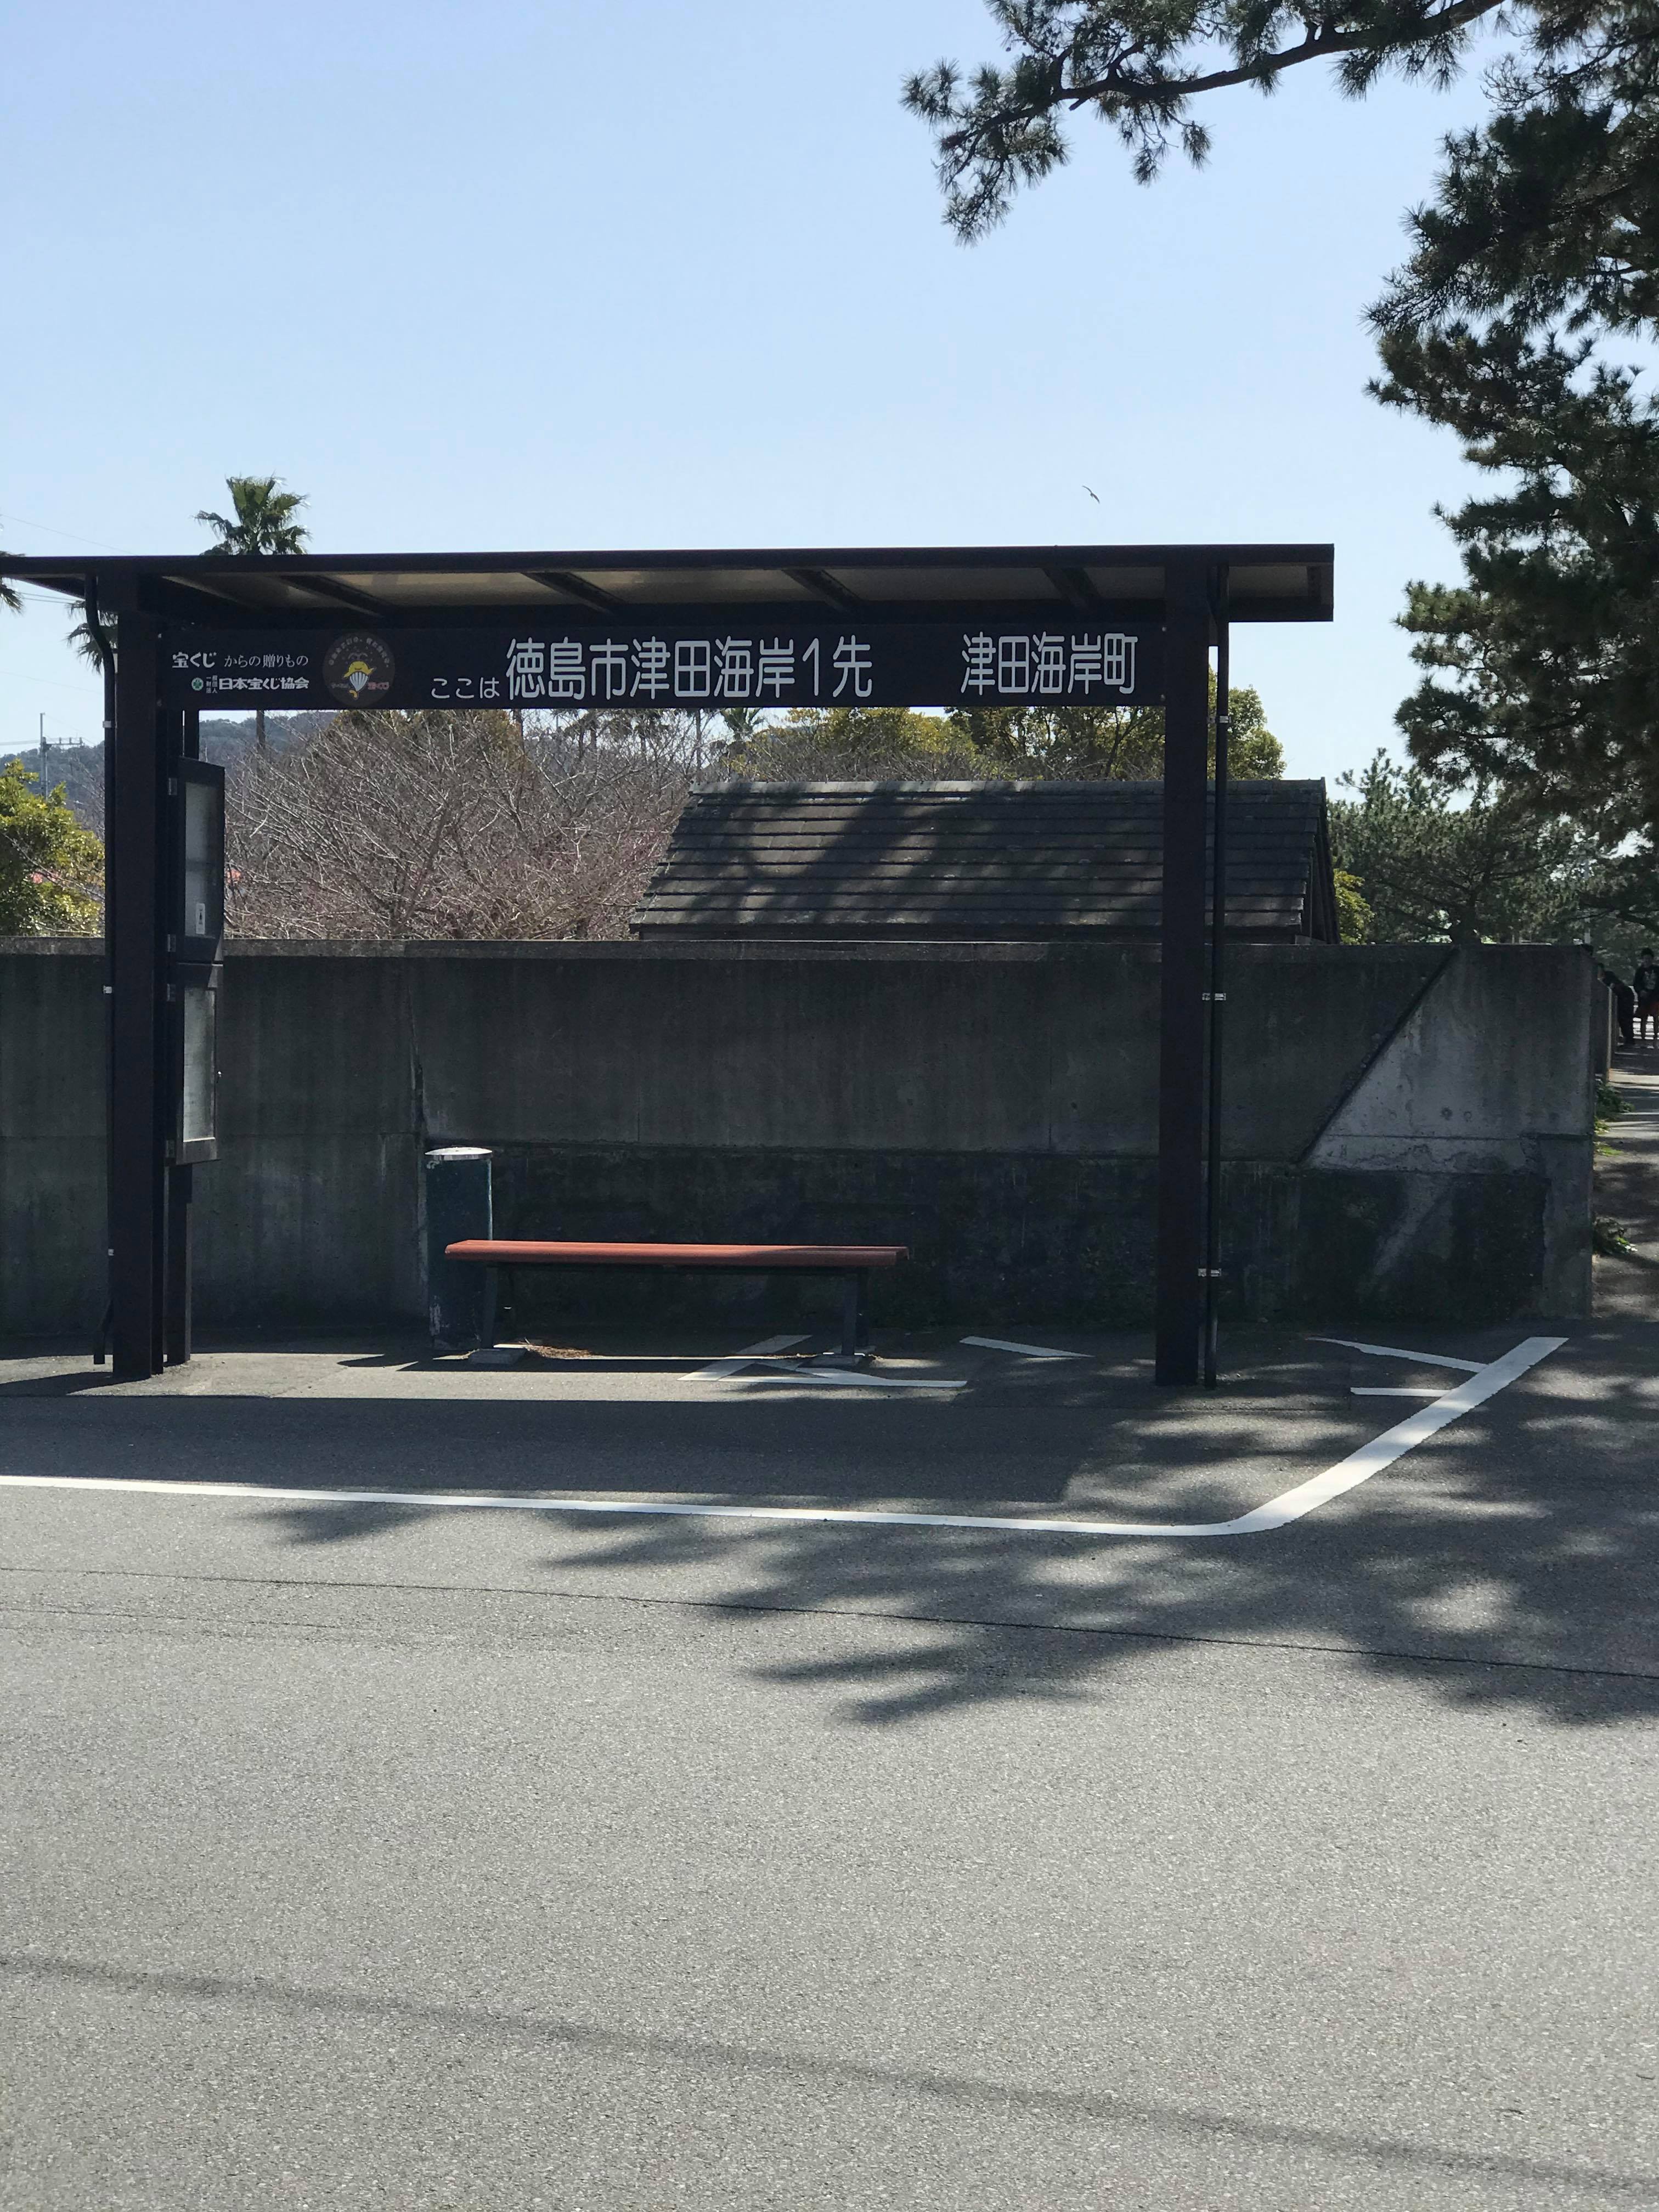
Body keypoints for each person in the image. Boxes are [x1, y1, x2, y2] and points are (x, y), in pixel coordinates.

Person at [1602, 965, 1637, 1049]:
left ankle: (1629, 1040)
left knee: (1625, 1020)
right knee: (1626, 1020)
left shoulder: (1609, 979)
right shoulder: (1611, 978)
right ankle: (1629, 1040)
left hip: (1624, 1000)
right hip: (1625, 999)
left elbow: (1612, 988)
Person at [1635, 948, 1659, 1049]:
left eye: (1649, 958)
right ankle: (1643, 1039)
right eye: (1645, 958)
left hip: (1655, 997)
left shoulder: (1657, 970)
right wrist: (1641, 991)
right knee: (1643, 1018)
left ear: (1652, 959)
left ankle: (1655, 1038)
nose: (1647, 960)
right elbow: (1636, 983)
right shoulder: (1640, 971)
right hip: (1644, 998)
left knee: (1656, 1018)